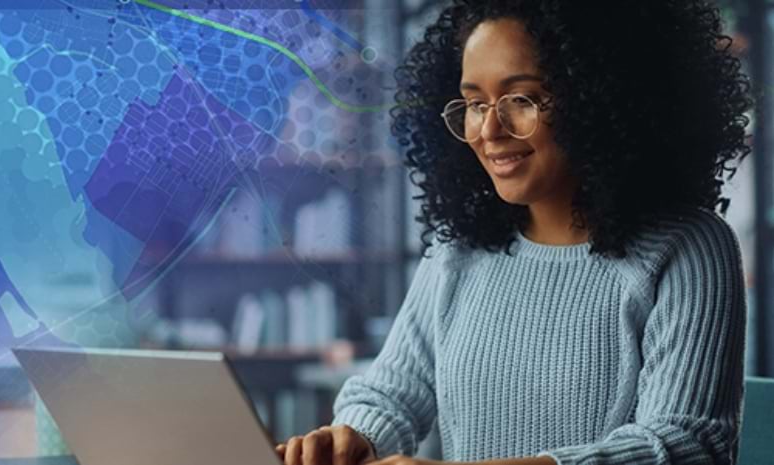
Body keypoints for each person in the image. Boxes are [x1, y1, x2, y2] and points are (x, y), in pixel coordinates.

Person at [276, 0, 753, 464]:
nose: (490, 129)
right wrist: (355, 435)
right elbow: (391, 392)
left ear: (601, 96)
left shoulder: (688, 248)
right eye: (473, 103)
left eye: (521, 99)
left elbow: (686, 445)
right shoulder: (456, 250)